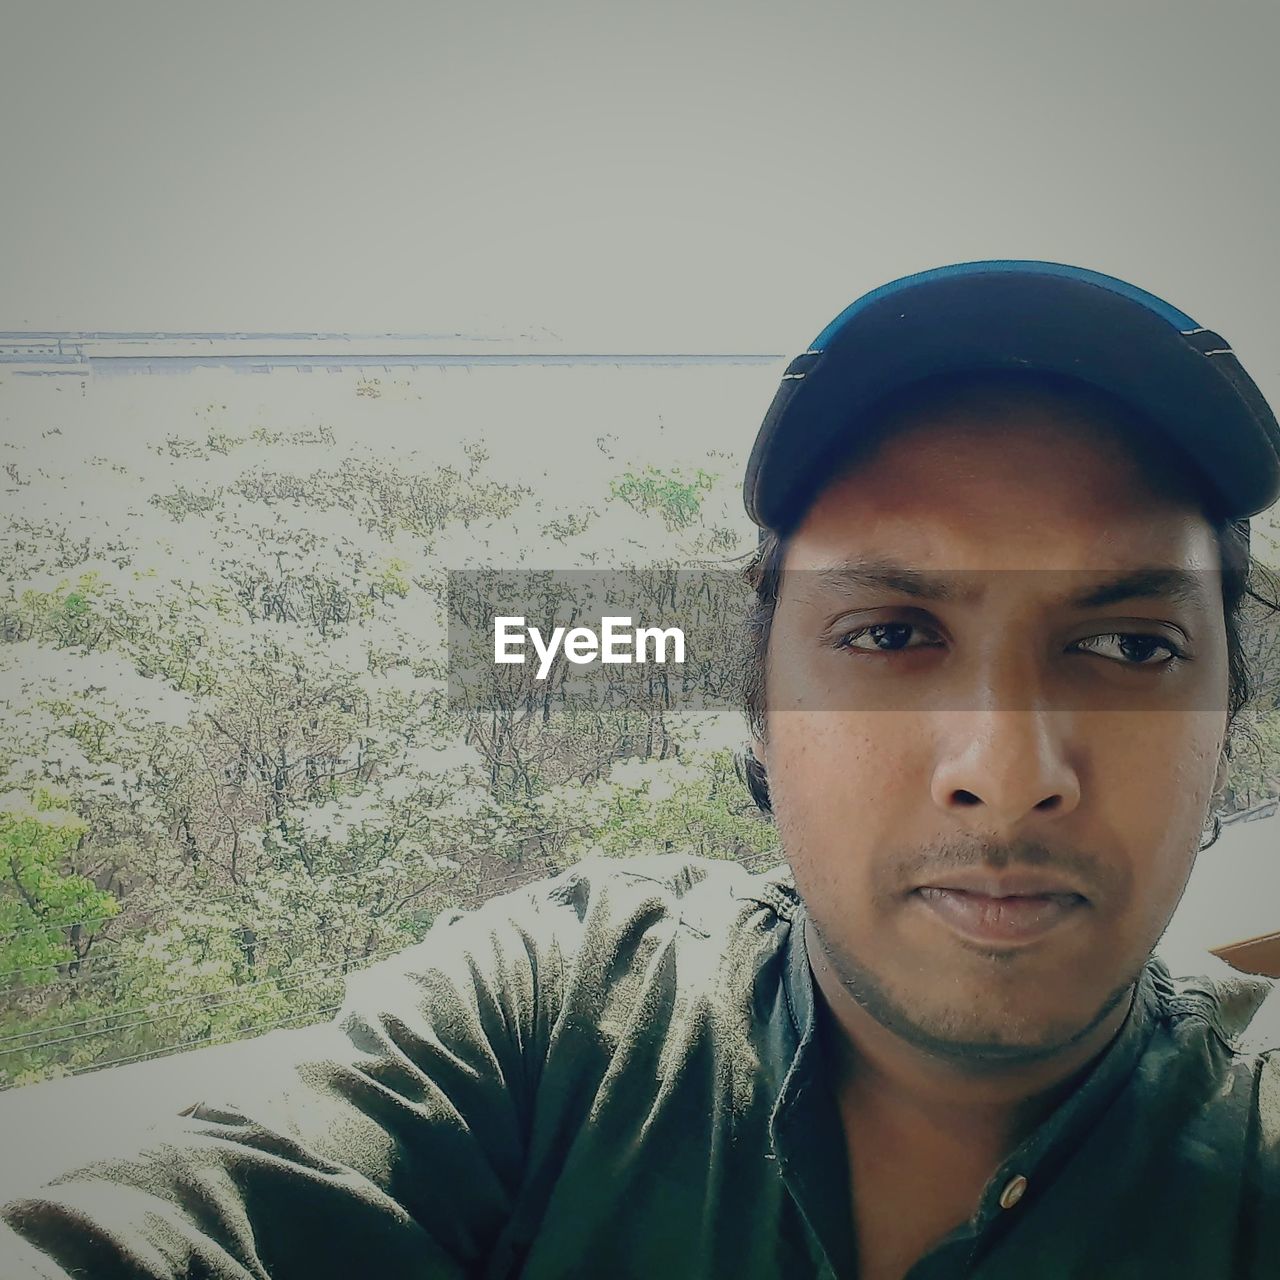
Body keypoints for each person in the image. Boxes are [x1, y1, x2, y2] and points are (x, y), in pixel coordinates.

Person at [3, 261, 1279, 1278]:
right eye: (889, 634)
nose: (1005, 773)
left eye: (1125, 643)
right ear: (758, 712)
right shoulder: (556, 1025)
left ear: (1223, 720)